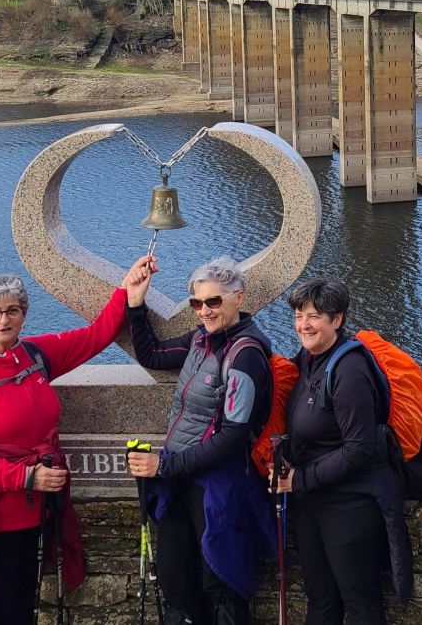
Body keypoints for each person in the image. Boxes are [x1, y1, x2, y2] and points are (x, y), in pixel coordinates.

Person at [0, 258, 155, 625]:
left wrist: (127, 291)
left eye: (13, 311)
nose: (5, 320)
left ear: (24, 314)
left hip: (34, 512)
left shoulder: (35, 356)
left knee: (24, 605)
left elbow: (95, 337)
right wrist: (27, 478)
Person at [125, 256, 276, 625]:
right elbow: (152, 355)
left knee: (220, 579)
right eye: (197, 302)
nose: (204, 311)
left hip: (218, 485)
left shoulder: (246, 357)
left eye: (214, 301)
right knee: (175, 576)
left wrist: (163, 465)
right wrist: (135, 303)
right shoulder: (199, 340)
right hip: (180, 479)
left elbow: (232, 436)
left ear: (238, 298)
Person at [274, 278, 413, 625]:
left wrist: (299, 480)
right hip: (313, 502)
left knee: (361, 603)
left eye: (314, 316)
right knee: (320, 600)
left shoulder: (349, 370)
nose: (303, 324)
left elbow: (359, 448)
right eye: (298, 315)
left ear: (337, 319)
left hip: (350, 508)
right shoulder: (309, 359)